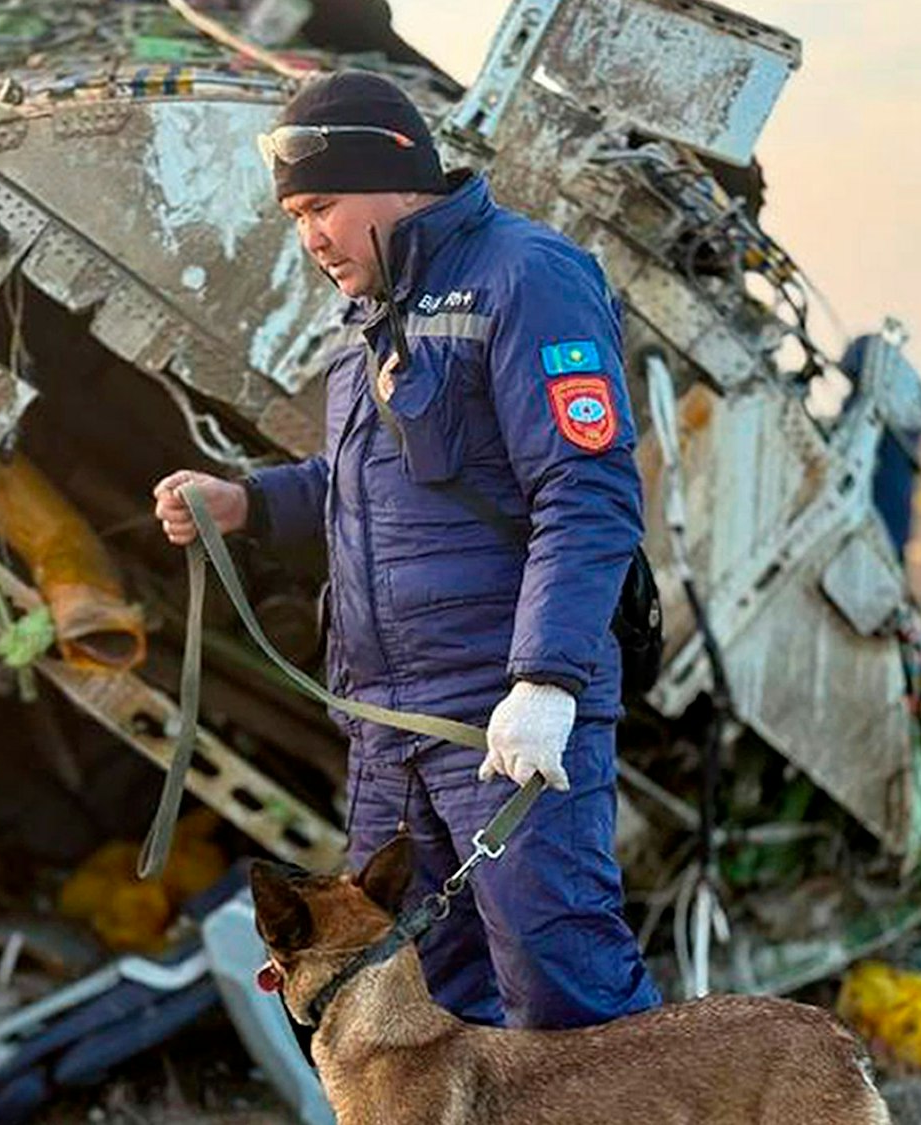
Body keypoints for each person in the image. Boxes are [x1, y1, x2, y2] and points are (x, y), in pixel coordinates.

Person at [152, 71, 659, 1030]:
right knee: (413, 1011)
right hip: (389, 733)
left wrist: (546, 683)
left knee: (565, 995)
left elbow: (586, 489)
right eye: (297, 215)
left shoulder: (528, 276)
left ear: (396, 173)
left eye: (322, 206)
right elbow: (367, 488)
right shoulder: (372, 318)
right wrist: (248, 503)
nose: (311, 237)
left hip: (499, 723)